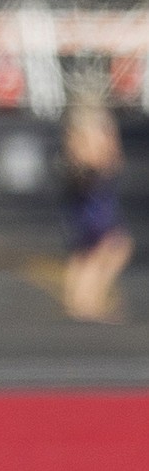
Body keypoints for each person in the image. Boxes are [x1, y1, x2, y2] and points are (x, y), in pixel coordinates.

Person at [60, 103, 134, 322]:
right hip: (94, 200)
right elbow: (104, 162)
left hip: (91, 199)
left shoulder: (77, 138)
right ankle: (85, 303)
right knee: (106, 248)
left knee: (89, 252)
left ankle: (80, 302)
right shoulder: (87, 138)